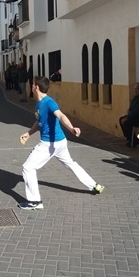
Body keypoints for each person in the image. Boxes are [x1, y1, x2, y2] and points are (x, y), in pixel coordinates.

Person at [18, 75, 105, 210]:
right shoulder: (39, 104)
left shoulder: (49, 102)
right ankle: (94, 185)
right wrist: (28, 133)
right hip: (60, 143)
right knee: (71, 164)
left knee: (28, 167)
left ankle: (35, 201)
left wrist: (71, 128)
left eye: (33, 84)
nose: (31, 85)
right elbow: (40, 121)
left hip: (49, 144)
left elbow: (61, 115)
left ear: (36, 87)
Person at [119, 82, 139, 147]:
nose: (135, 90)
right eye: (134, 89)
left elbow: (137, 111)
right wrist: (129, 110)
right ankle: (130, 139)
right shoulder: (136, 97)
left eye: (137, 89)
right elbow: (132, 107)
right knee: (121, 119)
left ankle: (134, 140)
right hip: (137, 117)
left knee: (126, 122)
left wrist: (128, 117)